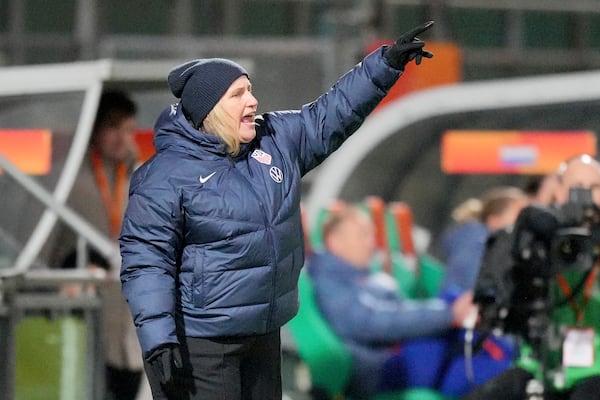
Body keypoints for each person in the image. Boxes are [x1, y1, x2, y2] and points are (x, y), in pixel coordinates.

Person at [118, 21, 435, 400]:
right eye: (238, 94)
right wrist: (158, 340)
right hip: (201, 343)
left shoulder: (276, 139)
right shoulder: (163, 176)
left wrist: (384, 64)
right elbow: (147, 261)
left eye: (250, 90)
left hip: (263, 333)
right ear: (212, 109)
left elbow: (330, 113)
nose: (252, 101)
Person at [307, 205, 515, 399]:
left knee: (458, 317)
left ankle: (505, 367)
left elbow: (391, 313)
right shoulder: (331, 281)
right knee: (463, 335)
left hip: (395, 354)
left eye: (371, 235)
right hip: (380, 367)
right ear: (334, 242)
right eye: (362, 235)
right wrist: (448, 315)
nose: (371, 243)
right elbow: (370, 322)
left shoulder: (357, 277)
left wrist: (446, 313)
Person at [466, 154, 600, 400]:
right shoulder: (535, 237)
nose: (585, 197)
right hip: (539, 365)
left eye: (594, 187)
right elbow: (505, 294)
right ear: (558, 192)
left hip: (595, 368)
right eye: (576, 188)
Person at [50, 90, 145, 400]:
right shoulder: (70, 180)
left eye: (129, 129)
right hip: (85, 315)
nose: (122, 138)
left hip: (130, 321)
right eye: (113, 127)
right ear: (94, 129)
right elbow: (49, 251)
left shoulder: (140, 179)